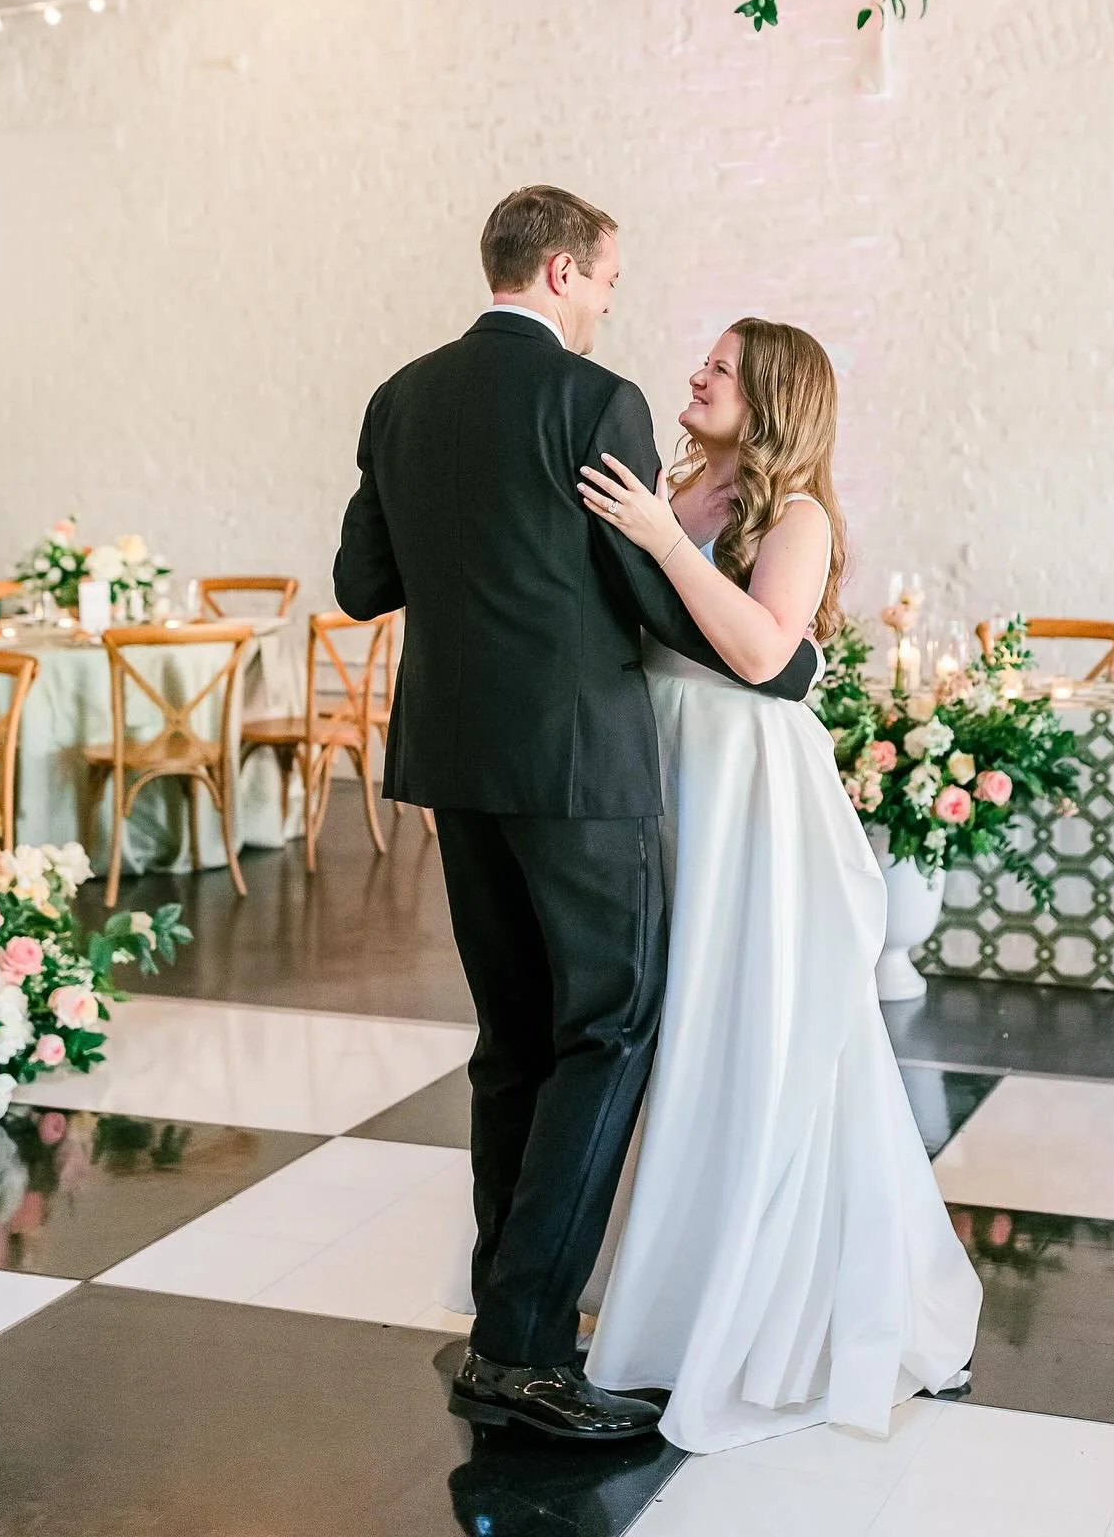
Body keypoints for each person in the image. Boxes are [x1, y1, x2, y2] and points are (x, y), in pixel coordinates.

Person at [332, 189, 819, 1444]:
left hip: (452, 760)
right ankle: (525, 1347)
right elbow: (639, 586)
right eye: (605, 280)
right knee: (605, 1031)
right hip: (578, 769)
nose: (610, 303)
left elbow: (361, 583)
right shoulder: (589, 402)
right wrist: (780, 663)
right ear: (559, 272)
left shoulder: (401, 395)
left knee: (513, 1040)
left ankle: (508, 1317)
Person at [575, 317, 982, 1453]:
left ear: (774, 400)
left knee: (752, 1025)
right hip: (665, 767)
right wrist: (659, 523)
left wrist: (661, 540)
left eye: (722, 369)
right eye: (702, 361)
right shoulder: (678, 486)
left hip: (746, 784)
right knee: (675, 1025)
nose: (695, 374)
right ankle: (673, 1278)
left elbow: (763, 653)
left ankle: (778, 1300)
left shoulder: (792, 514)